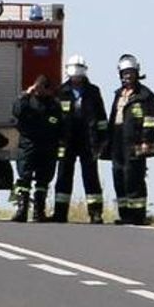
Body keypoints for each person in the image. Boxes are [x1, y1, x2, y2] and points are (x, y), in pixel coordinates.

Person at [107, 54, 154, 224]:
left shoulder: (145, 95)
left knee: (134, 177)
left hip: (136, 143)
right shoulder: (119, 94)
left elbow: (153, 118)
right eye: (124, 73)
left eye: (130, 72)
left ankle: (137, 215)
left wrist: (146, 140)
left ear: (137, 73)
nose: (127, 76)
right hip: (117, 141)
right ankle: (125, 214)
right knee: (119, 175)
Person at [53, 55, 108, 223]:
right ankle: (60, 213)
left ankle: (95, 213)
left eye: (78, 75)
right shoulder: (61, 91)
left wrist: (102, 140)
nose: (76, 78)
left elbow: (101, 119)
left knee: (91, 177)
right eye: (73, 75)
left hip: (88, 140)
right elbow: (55, 118)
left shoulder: (93, 91)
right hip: (66, 140)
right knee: (63, 176)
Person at [11, 74, 61, 222]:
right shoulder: (27, 101)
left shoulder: (53, 104)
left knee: (43, 180)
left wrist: (60, 142)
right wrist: (26, 94)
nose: (39, 91)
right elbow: (17, 111)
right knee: (24, 179)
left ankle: (39, 211)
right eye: (37, 88)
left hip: (48, 147)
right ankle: (22, 210)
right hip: (28, 146)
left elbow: (60, 125)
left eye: (42, 88)